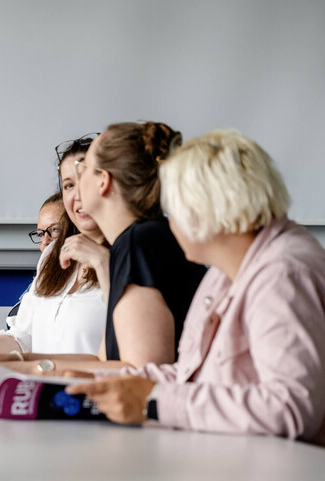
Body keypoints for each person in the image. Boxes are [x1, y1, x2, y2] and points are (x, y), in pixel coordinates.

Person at [67, 130, 325, 444]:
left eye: (173, 210)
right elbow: (188, 374)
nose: (169, 223)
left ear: (205, 210)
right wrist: (102, 381)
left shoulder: (283, 273)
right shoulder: (224, 271)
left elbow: (291, 407)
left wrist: (154, 402)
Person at [0, 121, 206, 375]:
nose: (73, 190)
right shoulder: (134, 241)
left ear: (103, 182)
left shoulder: (141, 243)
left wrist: (30, 369)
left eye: (83, 171)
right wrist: (17, 363)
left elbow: (143, 375)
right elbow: (104, 360)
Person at [0, 135, 109, 393]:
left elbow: (121, 360)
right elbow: (23, 336)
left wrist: (23, 365)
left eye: (86, 182)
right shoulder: (52, 255)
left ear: (107, 184)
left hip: (89, 398)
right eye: (69, 186)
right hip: (35, 397)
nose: (78, 196)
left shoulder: (126, 257)